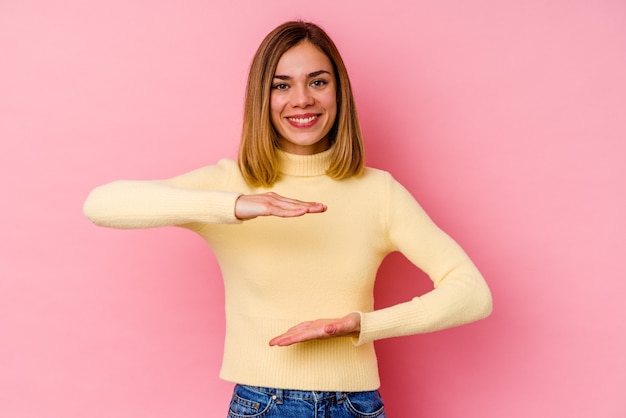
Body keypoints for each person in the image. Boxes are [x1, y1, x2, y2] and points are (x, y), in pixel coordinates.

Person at [83, 20, 492, 418]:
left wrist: (360, 325)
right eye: (282, 85)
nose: (302, 99)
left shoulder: (378, 191)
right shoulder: (227, 184)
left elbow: (471, 293)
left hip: (356, 405)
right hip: (262, 405)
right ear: (263, 96)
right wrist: (236, 205)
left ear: (338, 92)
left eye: (317, 81)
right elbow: (101, 204)